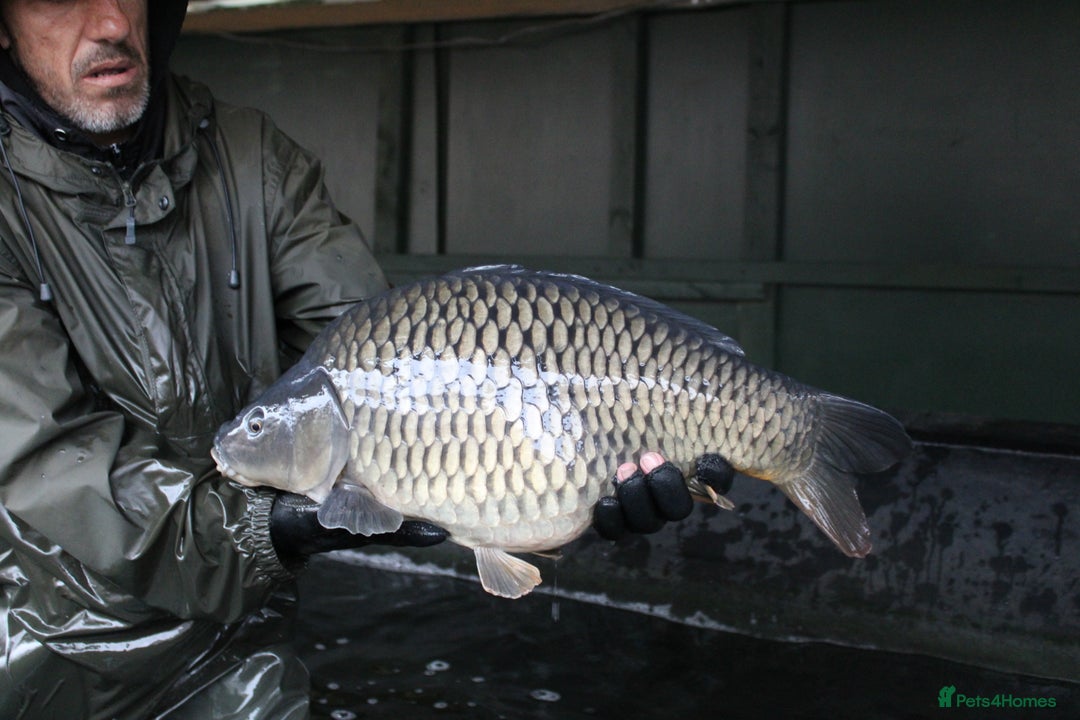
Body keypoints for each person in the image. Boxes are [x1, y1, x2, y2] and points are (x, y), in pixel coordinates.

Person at [0, 1, 731, 717]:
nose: (111, 23)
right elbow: (55, 458)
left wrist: (553, 483)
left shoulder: (247, 155)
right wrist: (271, 528)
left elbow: (382, 348)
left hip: (244, 642)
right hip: (48, 651)